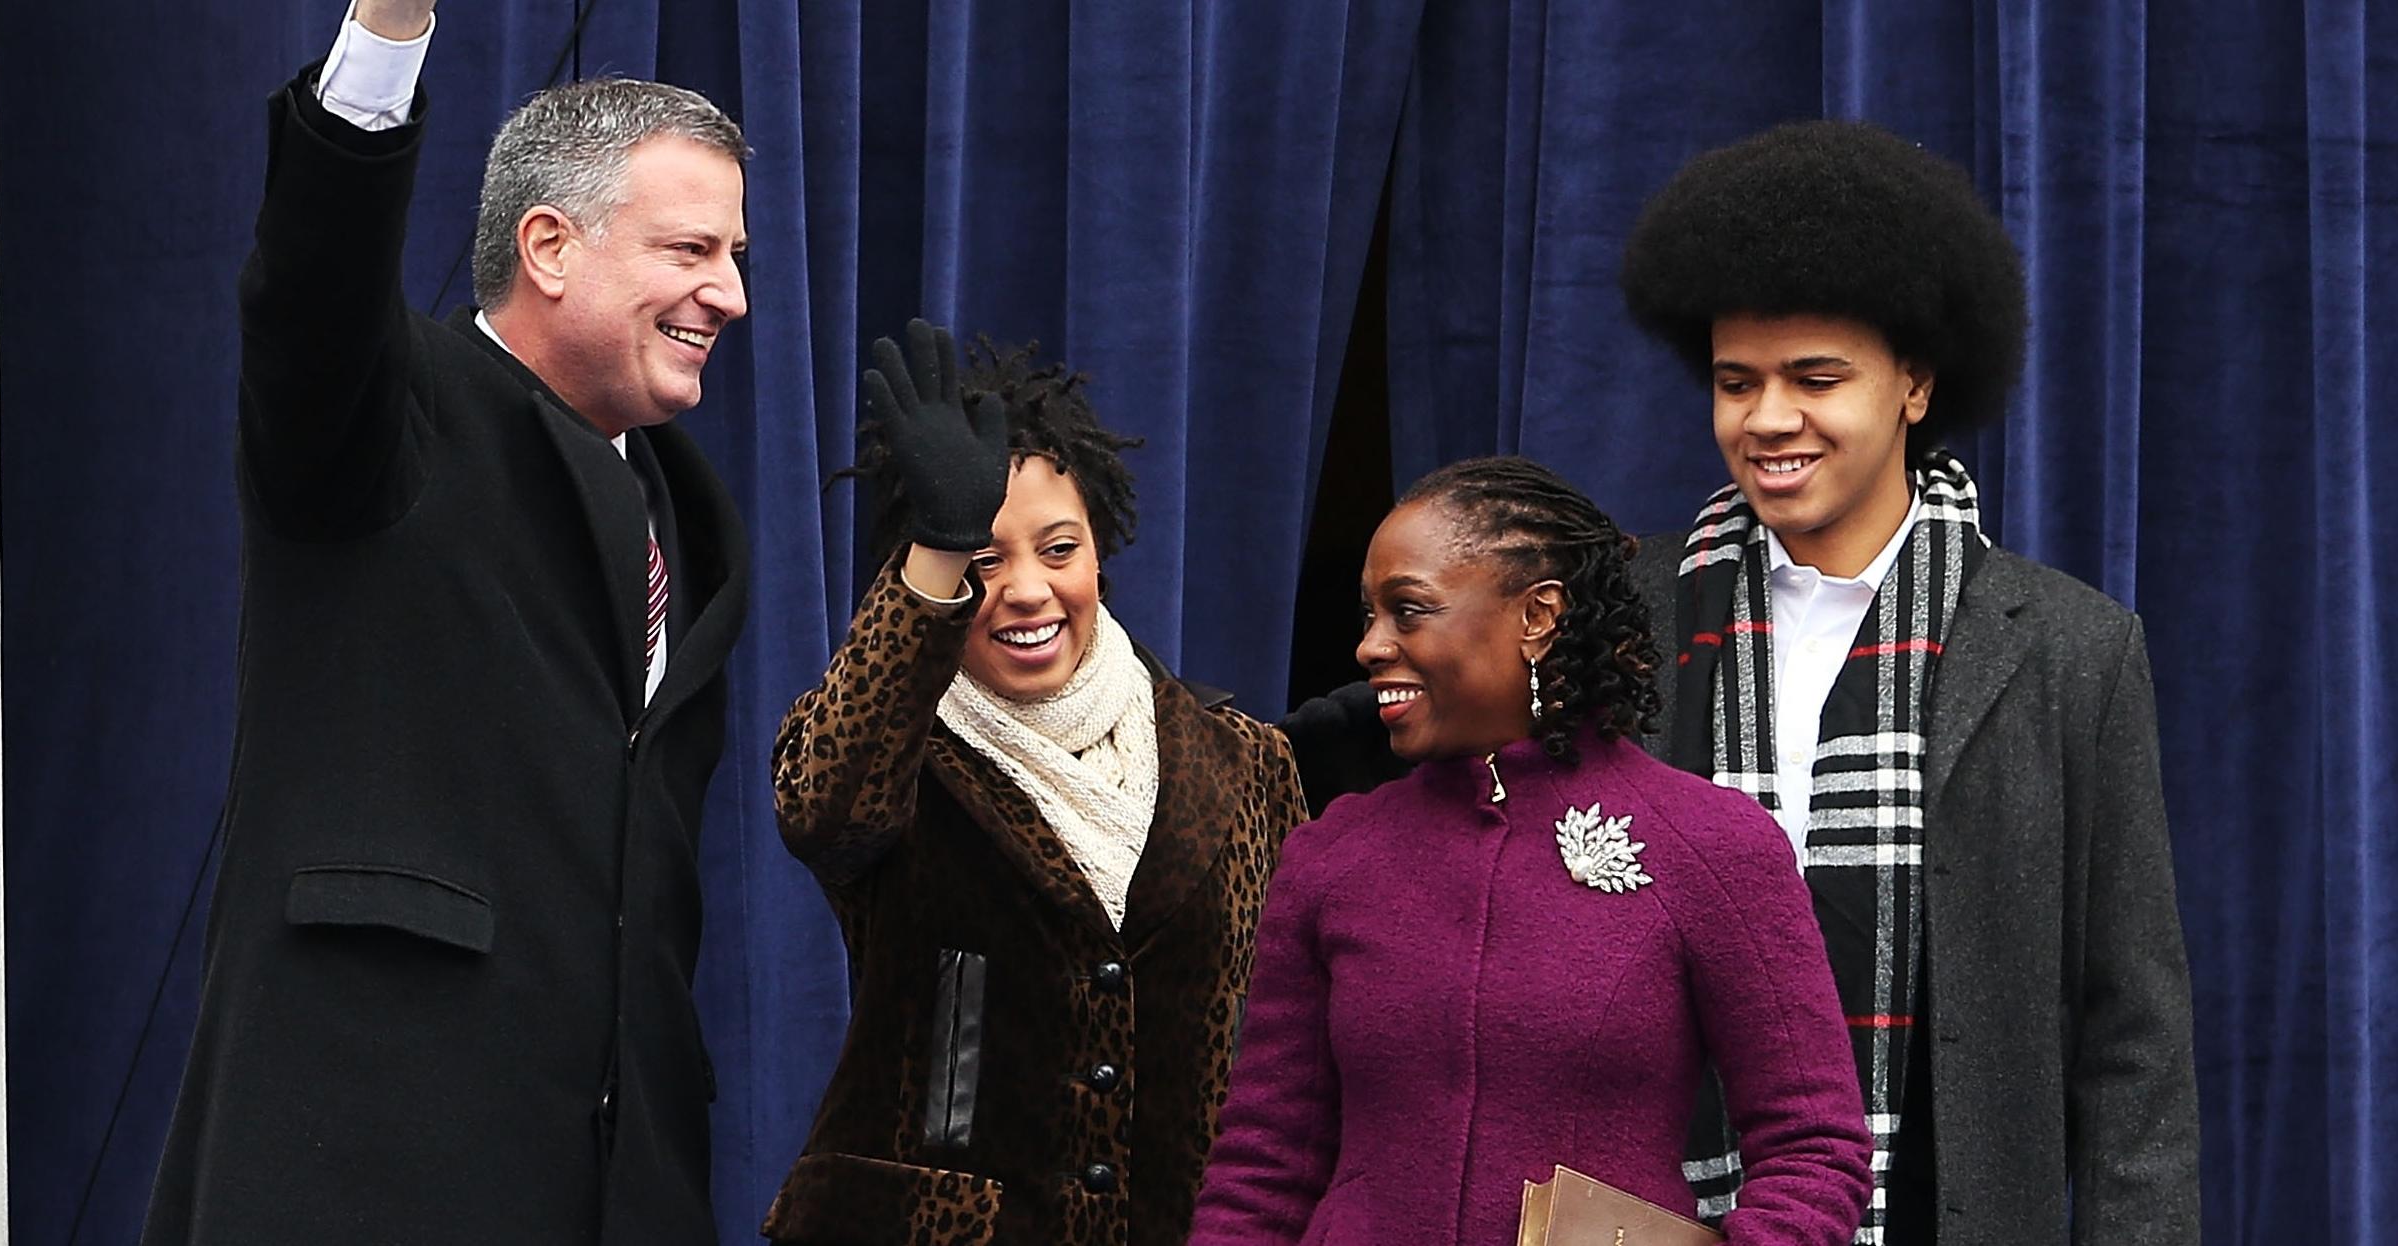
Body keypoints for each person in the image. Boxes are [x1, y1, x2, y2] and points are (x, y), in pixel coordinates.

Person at [143, 1, 753, 1241]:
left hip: (611, 1186)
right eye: (692, 250)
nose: (729, 293)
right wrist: (389, 23)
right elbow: (313, 285)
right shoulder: (387, 416)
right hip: (368, 1166)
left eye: (734, 255)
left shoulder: (689, 516)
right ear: (549, 246)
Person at [1616, 120, 2201, 1244]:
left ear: (1915, 385)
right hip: (1660, 1210)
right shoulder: (1629, 618)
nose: (1768, 419)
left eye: (1814, 378)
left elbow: (2134, 1040)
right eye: (1738, 382)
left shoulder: (2069, 647)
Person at [1190, 457, 1872, 1246]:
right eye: (1370, 615)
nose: (1371, 646)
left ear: (1538, 616)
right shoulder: (1331, 857)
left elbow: (1815, 1149)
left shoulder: (1713, 846)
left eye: (1409, 611)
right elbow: (1262, 1170)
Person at [760, 321, 1308, 1246]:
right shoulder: (897, 750)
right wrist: (937, 546)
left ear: (1101, 554)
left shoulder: (1246, 761)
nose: (1024, 589)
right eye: (981, 560)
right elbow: (823, 812)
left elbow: (1292, 1043)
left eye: (1058, 550)